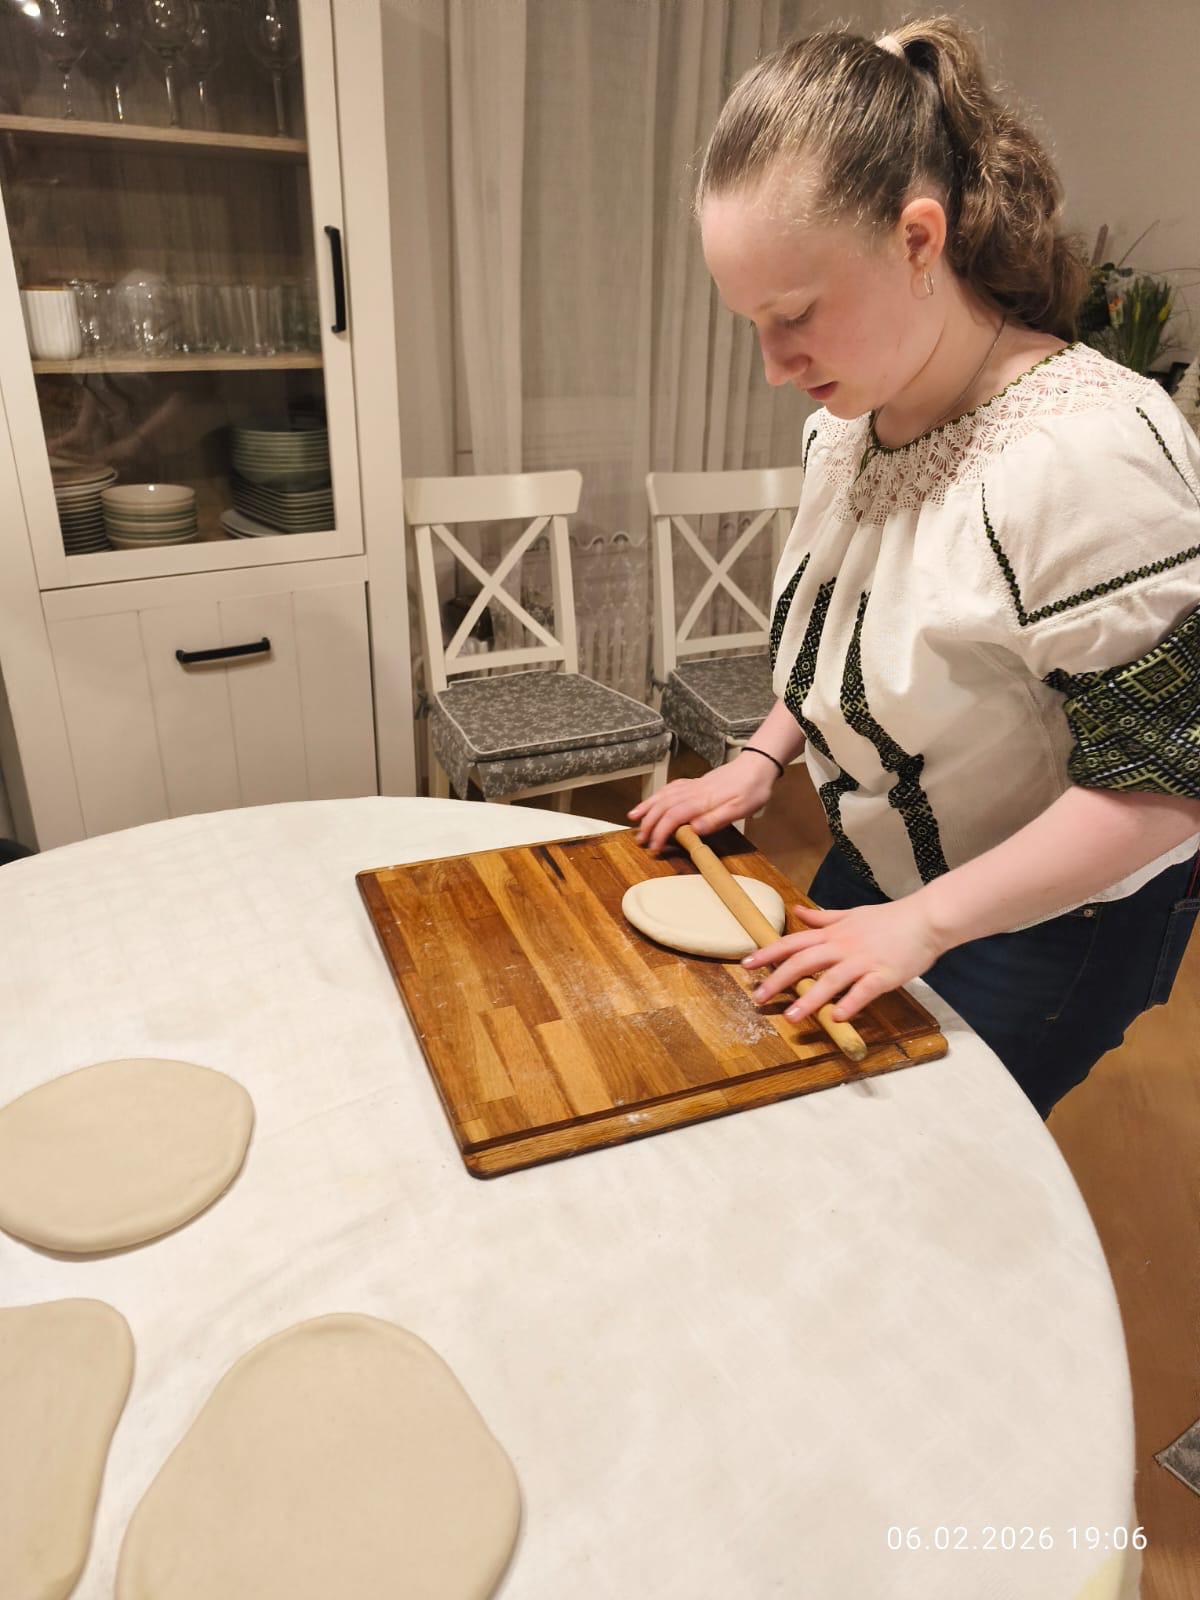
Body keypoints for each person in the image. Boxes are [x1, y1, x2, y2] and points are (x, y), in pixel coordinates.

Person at [630, 18, 1200, 1118]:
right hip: (884, 865)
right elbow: (851, 627)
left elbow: (1170, 783)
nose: (774, 365)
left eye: (795, 315)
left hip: (1048, 922)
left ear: (918, 240)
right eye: (752, 323)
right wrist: (761, 759)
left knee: (935, 1162)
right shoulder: (850, 423)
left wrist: (926, 925)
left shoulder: (1087, 455)